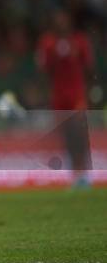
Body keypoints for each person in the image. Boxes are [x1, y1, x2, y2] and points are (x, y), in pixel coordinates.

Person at [36, 10, 94, 188]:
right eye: (58, 19)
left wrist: (89, 93)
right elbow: (43, 71)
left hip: (77, 94)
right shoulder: (47, 43)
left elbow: (89, 69)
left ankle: (84, 170)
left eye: (64, 19)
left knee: (79, 131)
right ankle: (75, 172)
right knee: (67, 134)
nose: (61, 23)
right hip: (58, 96)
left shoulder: (80, 41)